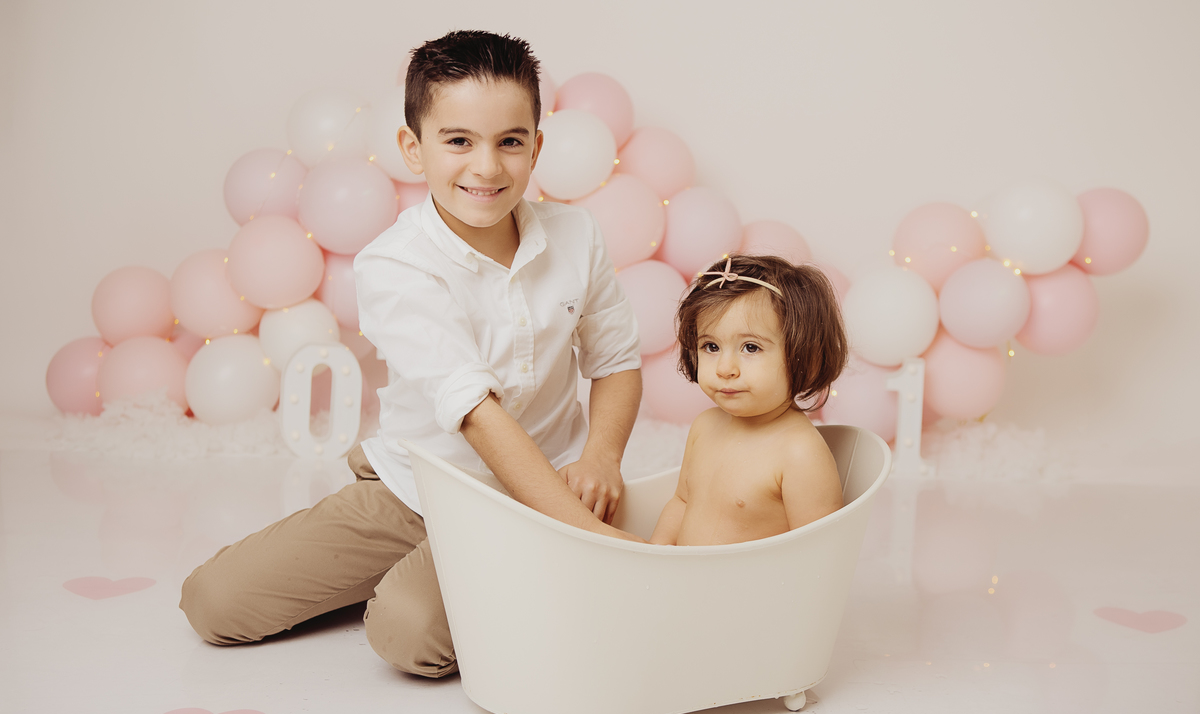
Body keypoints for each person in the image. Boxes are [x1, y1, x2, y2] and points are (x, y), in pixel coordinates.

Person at [180, 30, 644, 678]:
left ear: (537, 148)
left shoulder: (577, 235)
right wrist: (594, 542)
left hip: (537, 494)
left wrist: (599, 460)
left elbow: (616, 361)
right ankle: (445, 566)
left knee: (409, 634)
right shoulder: (394, 265)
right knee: (212, 602)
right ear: (412, 148)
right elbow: (475, 414)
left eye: (510, 142)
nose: (487, 168)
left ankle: (495, 566)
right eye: (458, 141)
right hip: (414, 488)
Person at [648, 255, 848, 547]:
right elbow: (682, 501)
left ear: (805, 357)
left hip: (753, 579)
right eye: (711, 346)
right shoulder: (705, 426)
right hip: (685, 575)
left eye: (750, 347)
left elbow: (819, 552)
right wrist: (658, 551)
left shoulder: (799, 453)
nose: (725, 368)